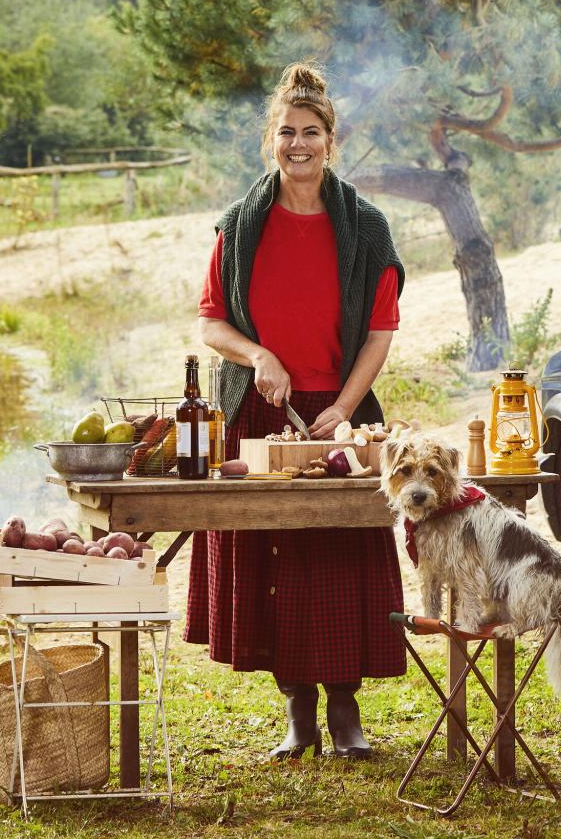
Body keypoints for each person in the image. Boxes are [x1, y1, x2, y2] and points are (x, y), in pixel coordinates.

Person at [188, 61, 406, 760]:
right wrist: (259, 357)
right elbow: (211, 324)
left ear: (331, 141)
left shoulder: (366, 228)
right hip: (261, 414)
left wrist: (342, 407)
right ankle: (298, 716)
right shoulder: (240, 226)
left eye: (311, 132)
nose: (298, 144)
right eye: (286, 132)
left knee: (339, 560)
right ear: (270, 141)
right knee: (276, 566)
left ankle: (346, 714)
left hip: (340, 418)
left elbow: (380, 331)